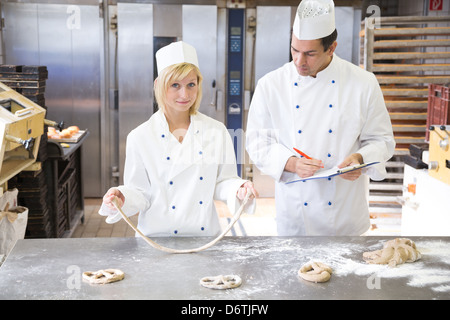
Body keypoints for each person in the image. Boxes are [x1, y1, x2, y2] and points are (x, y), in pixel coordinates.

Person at [246, 0, 395, 236]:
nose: (299, 61)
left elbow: (382, 141)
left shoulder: (363, 83)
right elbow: (257, 142)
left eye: (310, 53)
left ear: (332, 47)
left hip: (344, 215)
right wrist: (291, 163)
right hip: (295, 215)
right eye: (294, 50)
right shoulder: (271, 85)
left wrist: (360, 158)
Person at [99, 41, 257, 237]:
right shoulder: (140, 137)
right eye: (175, 85)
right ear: (159, 85)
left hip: (204, 237)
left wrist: (238, 188)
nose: (185, 94)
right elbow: (140, 192)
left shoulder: (217, 131)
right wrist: (123, 197)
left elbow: (223, 182)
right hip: (156, 239)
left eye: (191, 84)